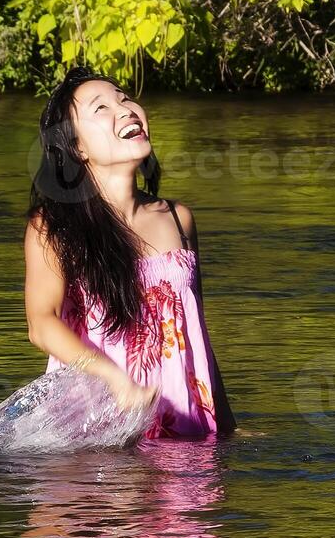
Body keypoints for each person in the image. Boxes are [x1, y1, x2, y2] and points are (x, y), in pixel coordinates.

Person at [20, 64, 236, 442]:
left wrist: (228, 429)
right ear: (77, 148)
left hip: (183, 431)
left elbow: (198, 334)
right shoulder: (54, 225)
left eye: (124, 98)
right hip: (94, 434)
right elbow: (41, 323)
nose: (126, 109)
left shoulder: (177, 219)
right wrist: (114, 380)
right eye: (100, 108)